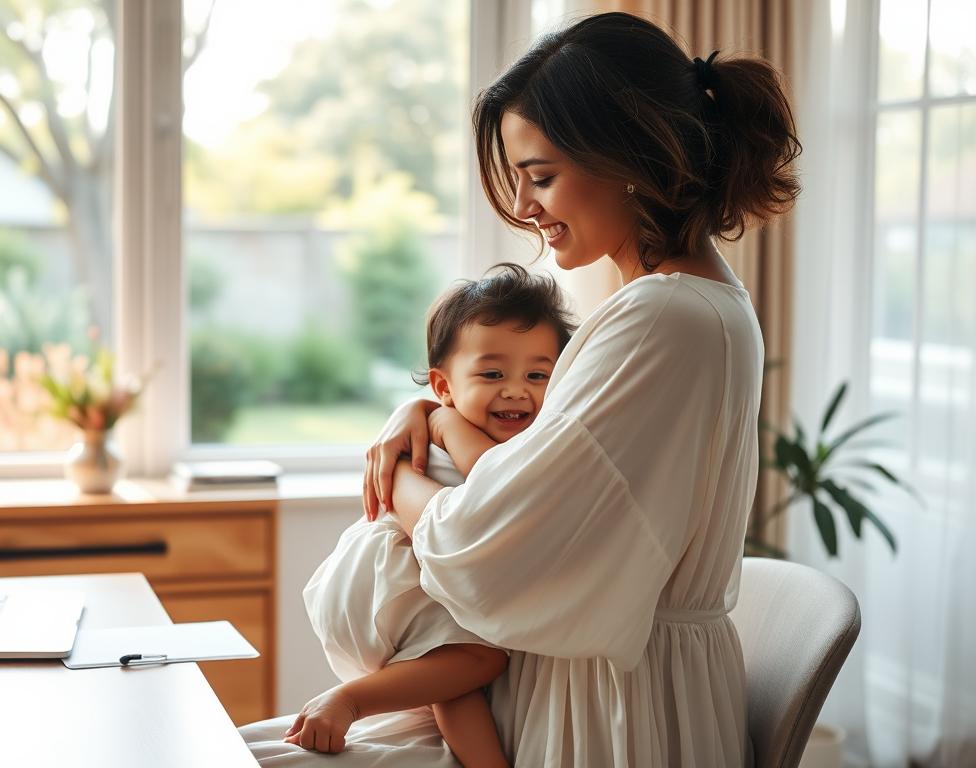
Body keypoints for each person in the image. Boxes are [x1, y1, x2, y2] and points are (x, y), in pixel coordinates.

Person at [241, 10, 800, 766]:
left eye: (541, 176)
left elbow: (486, 545)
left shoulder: (664, 318)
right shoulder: (689, 304)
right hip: (586, 685)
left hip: (605, 713)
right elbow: (531, 472)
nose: (526, 206)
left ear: (627, 158)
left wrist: (400, 474)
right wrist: (431, 415)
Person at [290, 264, 575, 767]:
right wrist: (434, 416)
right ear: (444, 386)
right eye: (492, 374)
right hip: (395, 573)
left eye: (538, 375)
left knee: (454, 675)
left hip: (382, 577)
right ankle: (348, 700)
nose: (516, 390)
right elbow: (494, 480)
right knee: (480, 658)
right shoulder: (453, 427)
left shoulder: (443, 419)